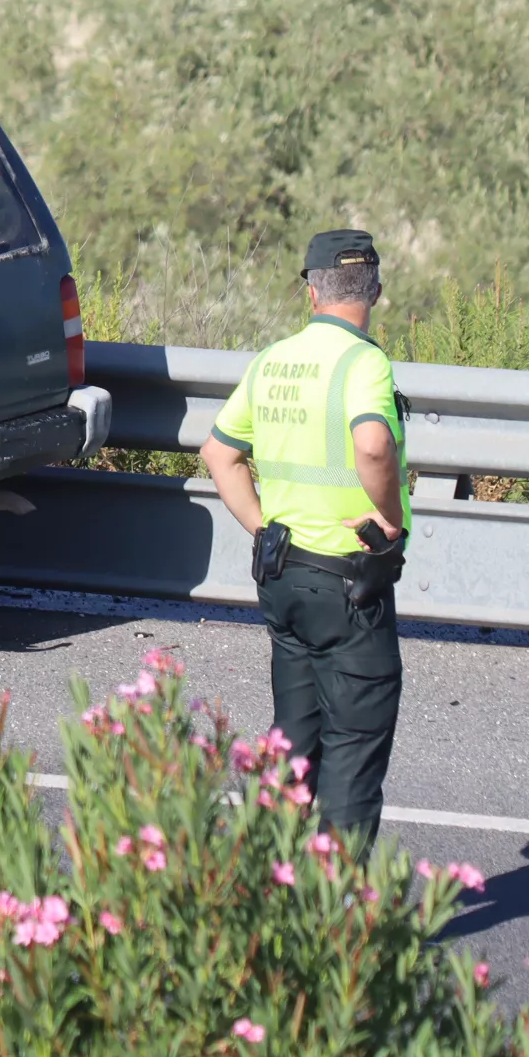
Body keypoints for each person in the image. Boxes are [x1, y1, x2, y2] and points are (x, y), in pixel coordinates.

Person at [200, 229, 410, 849]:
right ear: (373, 289)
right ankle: (336, 922)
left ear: (311, 290)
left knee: (292, 742)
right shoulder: (364, 362)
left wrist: (264, 528)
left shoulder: (273, 360)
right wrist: (390, 520)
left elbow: (218, 452)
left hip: (284, 576)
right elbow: (373, 443)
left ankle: (261, 887)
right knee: (353, 747)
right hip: (347, 583)